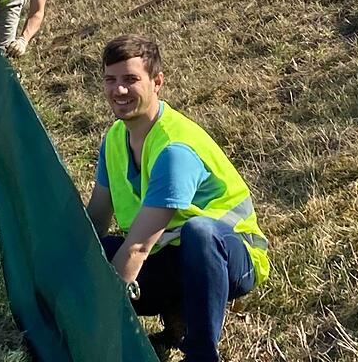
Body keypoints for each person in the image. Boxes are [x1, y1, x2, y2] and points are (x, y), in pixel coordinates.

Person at [86, 35, 270, 362]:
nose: (119, 90)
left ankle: (201, 353)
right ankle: (178, 310)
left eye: (131, 80)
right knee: (93, 253)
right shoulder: (114, 139)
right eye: (110, 80)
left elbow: (139, 247)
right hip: (169, 255)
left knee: (199, 232)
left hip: (229, 257)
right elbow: (96, 221)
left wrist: (98, 321)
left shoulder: (174, 149)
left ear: (157, 82)